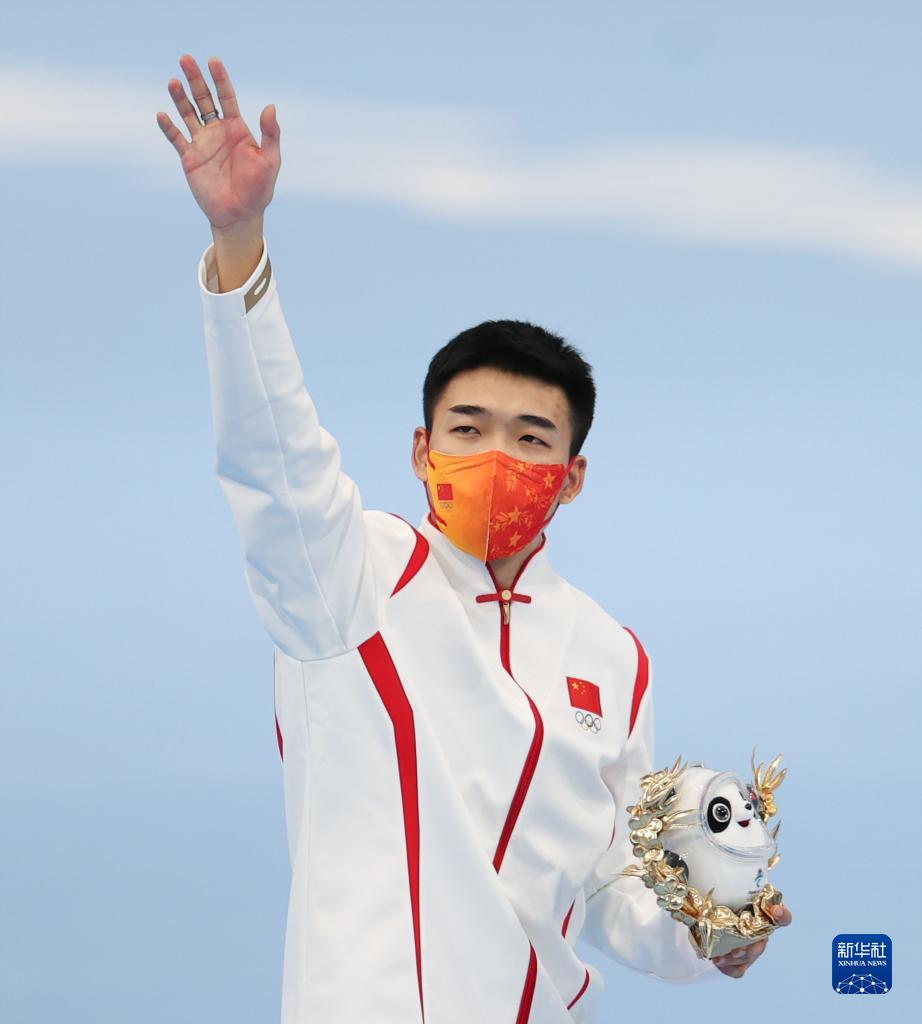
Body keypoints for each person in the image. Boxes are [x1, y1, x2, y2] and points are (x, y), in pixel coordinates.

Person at [157, 53, 792, 1023]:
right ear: (421, 451)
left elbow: (612, 885)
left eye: (531, 438)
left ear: (572, 475)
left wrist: (714, 930)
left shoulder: (612, 657)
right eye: (467, 428)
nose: (497, 455)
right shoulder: (350, 576)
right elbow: (270, 454)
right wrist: (239, 240)